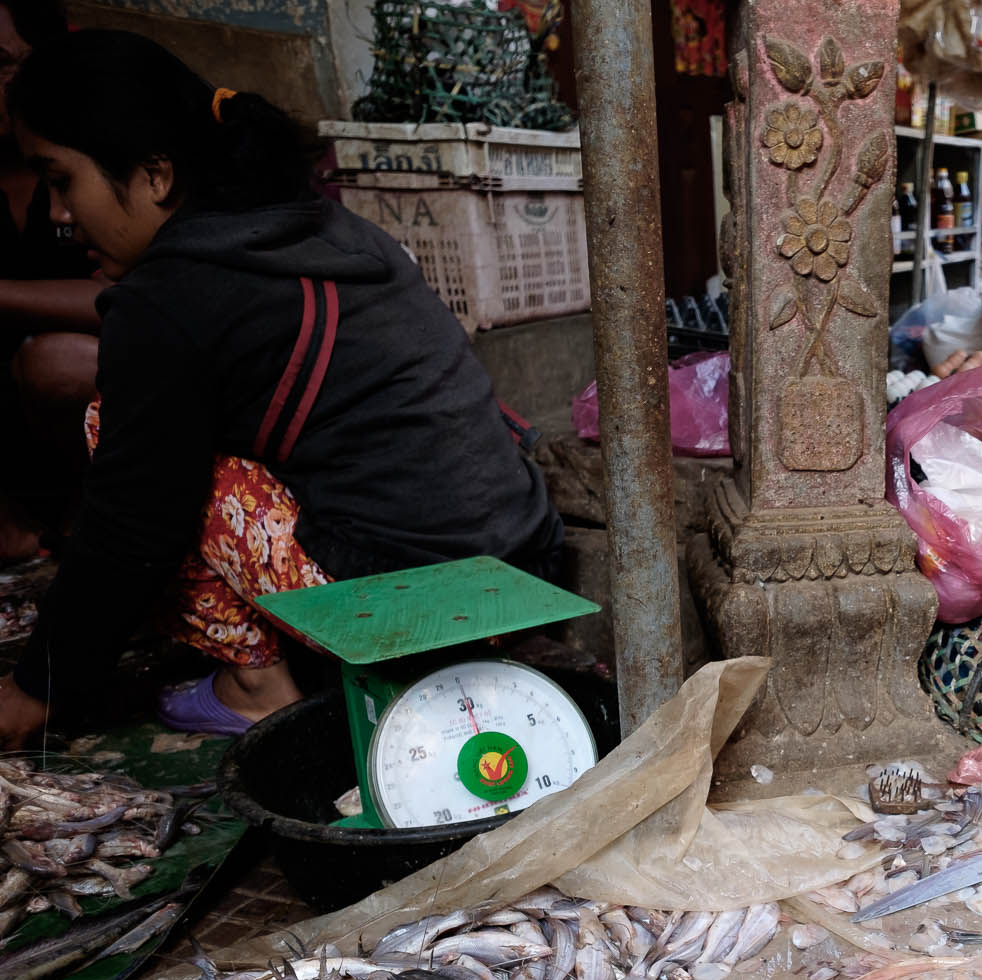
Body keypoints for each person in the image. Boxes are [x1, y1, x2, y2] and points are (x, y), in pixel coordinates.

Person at [0, 31, 563, 747]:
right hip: (522, 571)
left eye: (61, 181)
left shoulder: (170, 298)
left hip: (417, 617)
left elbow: (130, 525)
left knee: (120, 437)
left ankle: (256, 688)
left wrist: (35, 687)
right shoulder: (317, 226)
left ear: (155, 175)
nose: (57, 213)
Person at [0, 0, 105, 559]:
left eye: (1, 61)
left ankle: (84, 518)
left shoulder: (90, 156)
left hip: (92, 407)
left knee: (57, 363)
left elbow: (135, 296)